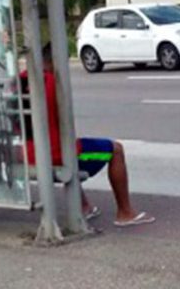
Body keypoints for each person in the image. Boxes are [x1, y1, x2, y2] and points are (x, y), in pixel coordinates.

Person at [21, 44, 154, 227]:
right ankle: (125, 212)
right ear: (57, 61)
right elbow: (64, 121)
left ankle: (84, 207)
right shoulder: (53, 83)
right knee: (115, 149)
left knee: (70, 146)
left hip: (26, 152)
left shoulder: (20, 80)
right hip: (54, 155)